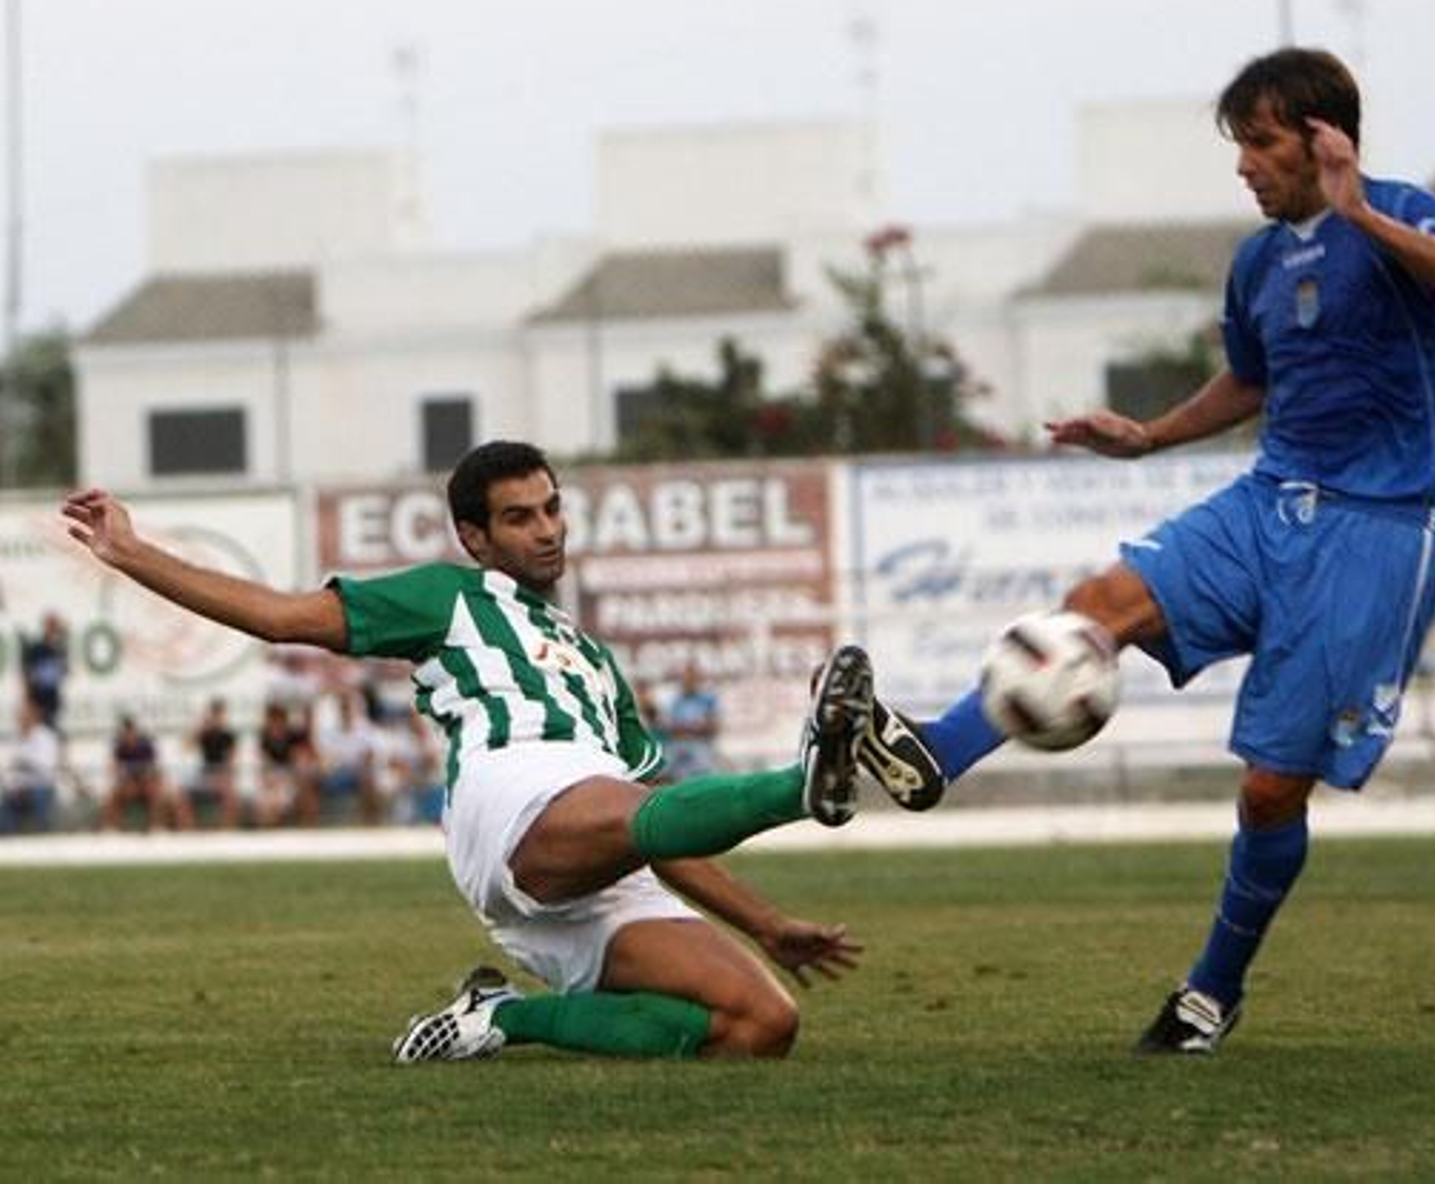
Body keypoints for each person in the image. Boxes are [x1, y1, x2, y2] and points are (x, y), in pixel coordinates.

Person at [851, 47, 1435, 1055]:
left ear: (1325, 138)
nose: (1243, 164)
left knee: (1269, 788)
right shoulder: (1257, 261)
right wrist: (1149, 434)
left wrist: (1359, 208)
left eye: (1260, 142)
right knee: (1093, 603)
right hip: (1265, 498)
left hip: (1375, 526)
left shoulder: (1401, 210)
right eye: (1238, 144)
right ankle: (937, 751)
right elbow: (1251, 379)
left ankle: (1209, 991)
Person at [62, 439, 881, 1063]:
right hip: (510, 791)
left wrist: (767, 926)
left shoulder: (596, 662)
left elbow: (662, 825)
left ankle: (499, 1018)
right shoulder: (447, 598)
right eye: (520, 518)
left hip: (600, 846)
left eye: (552, 509)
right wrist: (130, 552)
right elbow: (278, 616)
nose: (547, 530)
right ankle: (801, 782)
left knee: (761, 1025)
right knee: (627, 810)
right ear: (475, 537)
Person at [301, 689, 385, 826]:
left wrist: (358, 767)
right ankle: (309, 825)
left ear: (356, 709)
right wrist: (326, 766)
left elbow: (370, 757)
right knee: (309, 777)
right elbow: (323, 757)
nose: (346, 711)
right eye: (343, 707)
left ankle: (371, 824)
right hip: (335, 772)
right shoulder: (329, 731)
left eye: (348, 707)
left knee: (369, 779)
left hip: (357, 774)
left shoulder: (367, 730)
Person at [102, 713, 181, 832]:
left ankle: (155, 827)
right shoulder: (119, 746)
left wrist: (147, 779)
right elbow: (113, 768)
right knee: (114, 795)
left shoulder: (145, 745)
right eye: (125, 732)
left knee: (154, 792)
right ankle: (112, 828)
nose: (128, 735)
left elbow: (154, 768)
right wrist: (123, 777)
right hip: (128, 783)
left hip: (146, 782)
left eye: (130, 731)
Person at [175, 696, 243, 829]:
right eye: (215, 714)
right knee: (182, 794)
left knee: (230, 795)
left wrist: (224, 776)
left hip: (220, 774)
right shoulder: (204, 733)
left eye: (219, 714)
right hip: (205, 774)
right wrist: (200, 727)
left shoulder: (228, 735)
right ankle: (189, 831)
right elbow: (185, 747)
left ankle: (227, 830)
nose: (217, 718)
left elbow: (231, 761)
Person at [1, 698, 62, 834]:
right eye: (20, 716)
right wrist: (12, 786)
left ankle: (44, 834)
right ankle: (9, 840)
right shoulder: (16, 738)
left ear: (34, 716)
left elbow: (46, 768)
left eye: (24, 715)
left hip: (41, 786)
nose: (21, 719)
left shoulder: (46, 737)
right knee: (7, 799)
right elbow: (9, 769)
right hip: (19, 788)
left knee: (38, 797)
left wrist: (25, 762)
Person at [662, 662, 722, 779]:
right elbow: (669, 727)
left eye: (692, 678)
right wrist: (693, 727)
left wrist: (687, 728)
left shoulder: (708, 699)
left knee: (703, 767)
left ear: (698, 680)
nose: (688, 681)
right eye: (685, 678)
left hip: (700, 745)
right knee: (664, 769)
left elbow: (713, 726)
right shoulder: (676, 700)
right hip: (678, 745)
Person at [21, 611, 69, 729]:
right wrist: (29, 700)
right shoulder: (36, 648)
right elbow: (28, 673)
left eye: (55, 627)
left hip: (52, 700)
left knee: (50, 729)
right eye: (51, 626)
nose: (54, 630)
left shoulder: (60, 649)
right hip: (37, 699)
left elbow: (63, 672)